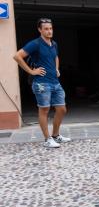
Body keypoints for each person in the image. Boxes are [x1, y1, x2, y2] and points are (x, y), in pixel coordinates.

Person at [13, 18, 71, 148]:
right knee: (44, 110)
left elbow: (56, 56)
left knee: (62, 109)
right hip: (41, 83)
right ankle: (47, 139)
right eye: (46, 29)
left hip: (55, 82)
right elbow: (17, 56)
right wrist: (31, 71)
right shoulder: (35, 44)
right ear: (40, 30)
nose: (49, 31)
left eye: (50, 28)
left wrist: (56, 68)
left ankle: (56, 136)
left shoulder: (54, 44)